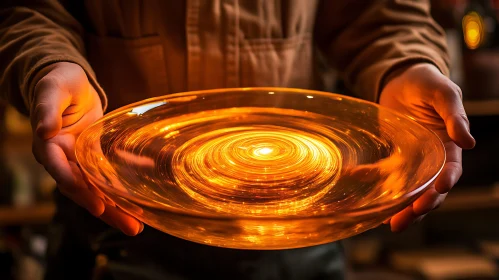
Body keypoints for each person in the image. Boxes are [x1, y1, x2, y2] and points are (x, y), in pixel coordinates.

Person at [0, 1, 476, 279]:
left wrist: (407, 65)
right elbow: (29, 9)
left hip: (300, 235)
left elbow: (379, 13)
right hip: (118, 221)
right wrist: (48, 65)